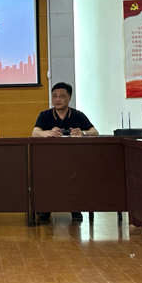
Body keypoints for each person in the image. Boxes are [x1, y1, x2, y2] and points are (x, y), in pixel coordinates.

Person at [32, 82, 98, 222]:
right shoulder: (45, 115)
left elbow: (94, 132)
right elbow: (35, 132)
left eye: (61, 96)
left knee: (74, 176)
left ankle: (75, 208)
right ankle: (45, 208)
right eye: (54, 96)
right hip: (50, 158)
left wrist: (83, 133)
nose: (57, 99)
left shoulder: (77, 115)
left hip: (73, 159)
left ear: (69, 98)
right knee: (46, 176)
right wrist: (47, 133)